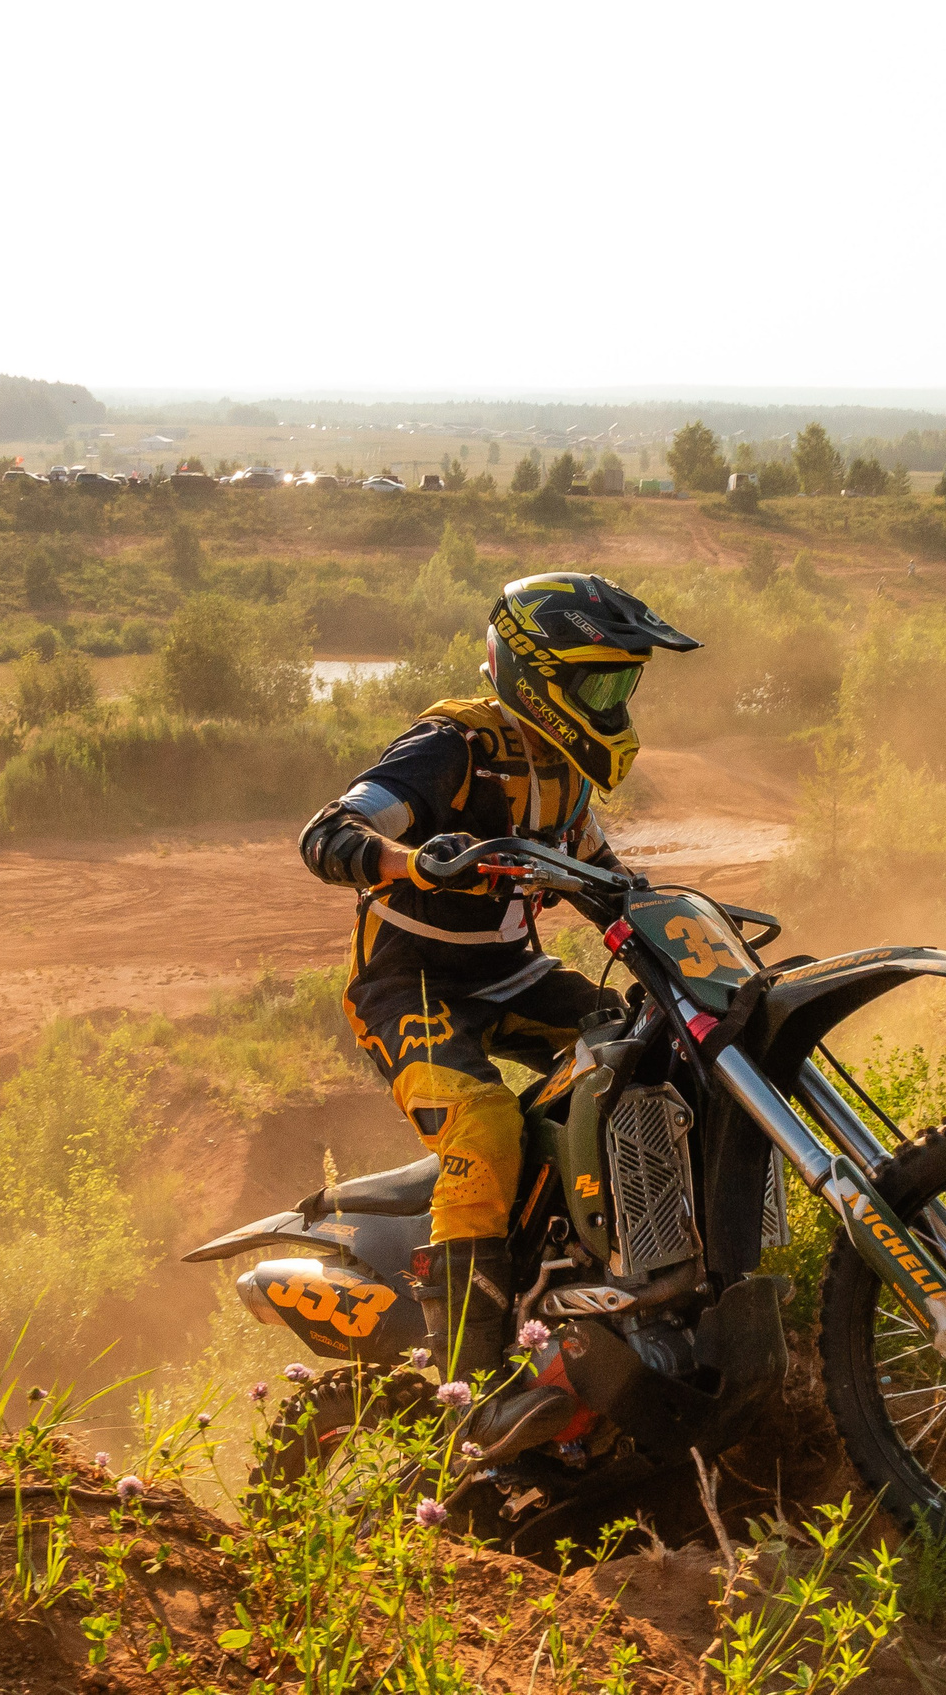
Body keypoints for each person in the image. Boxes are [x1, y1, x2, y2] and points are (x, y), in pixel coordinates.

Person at [297, 571, 698, 1459]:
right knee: (480, 1124)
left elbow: (607, 879)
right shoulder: (454, 747)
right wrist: (413, 861)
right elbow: (326, 834)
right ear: (538, 676)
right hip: (409, 987)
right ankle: (469, 1391)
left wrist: (659, 923)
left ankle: (607, 1271)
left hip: (511, 975)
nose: (614, 704)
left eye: (622, 686)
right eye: (599, 685)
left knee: (645, 1043)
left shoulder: (564, 772)